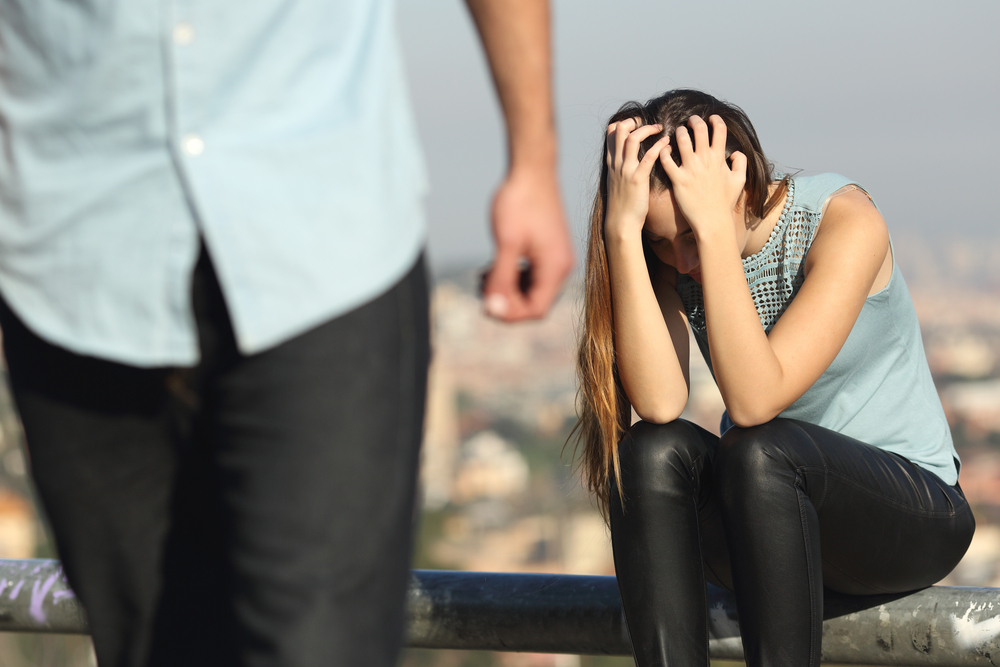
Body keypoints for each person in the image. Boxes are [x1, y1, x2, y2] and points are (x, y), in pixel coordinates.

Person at [0, 1, 572, 665]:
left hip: (323, 233)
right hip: (77, 247)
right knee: (151, 646)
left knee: (320, 644)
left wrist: (533, 156)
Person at [572, 89, 974, 667]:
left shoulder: (844, 220)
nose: (681, 260)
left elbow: (757, 400)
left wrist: (712, 232)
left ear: (741, 183)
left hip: (910, 520)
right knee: (648, 451)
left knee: (761, 449)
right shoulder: (666, 259)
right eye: (659, 241)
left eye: (688, 235)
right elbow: (660, 403)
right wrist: (621, 236)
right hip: (766, 526)